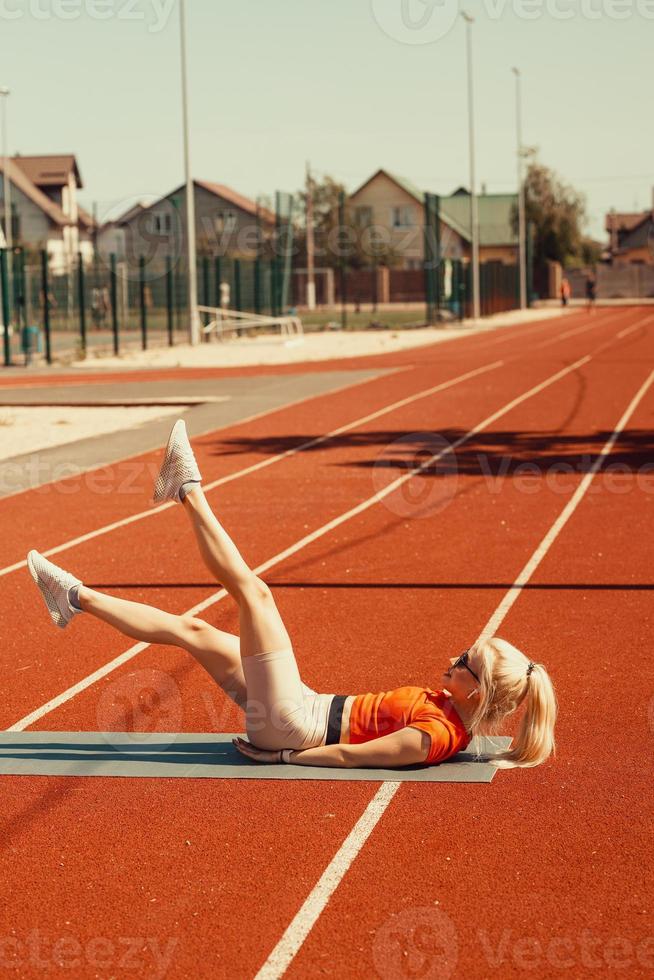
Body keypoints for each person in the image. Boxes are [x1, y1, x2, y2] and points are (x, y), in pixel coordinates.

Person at [27, 421, 557, 771]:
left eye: (465, 661)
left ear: (479, 691)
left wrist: (280, 756)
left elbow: (352, 756)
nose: (453, 657)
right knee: (196, 632)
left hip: (295, 726)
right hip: (301, 704)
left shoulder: (437, 736)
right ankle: (74, 599)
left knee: (254, 593)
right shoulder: (446, 704)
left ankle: (186, 490)